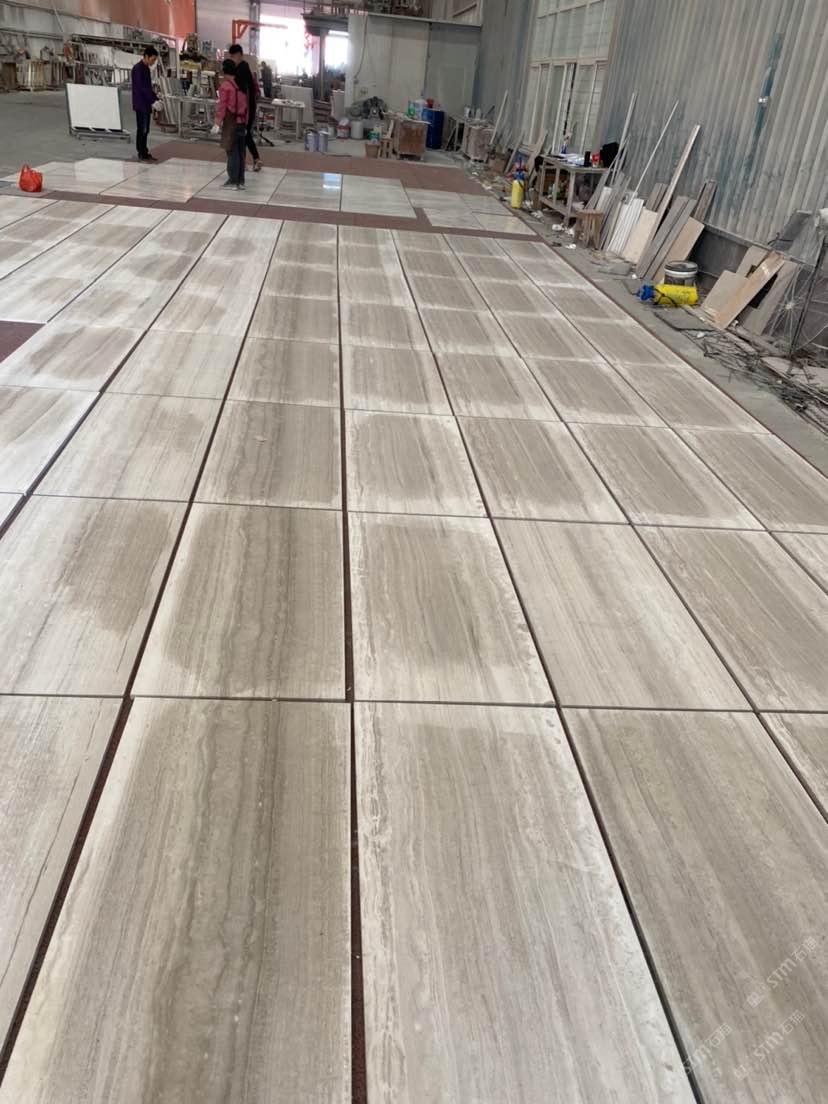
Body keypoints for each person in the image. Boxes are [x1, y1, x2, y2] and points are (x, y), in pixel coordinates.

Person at [212, 59, 248, 189]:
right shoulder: (242, 86)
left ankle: (233, 180)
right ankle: (240, 181)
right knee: (241, 152)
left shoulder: (225, 87)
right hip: (242, 122)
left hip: (231, 123)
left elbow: (222, 107)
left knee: (232, 151)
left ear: (224, 72)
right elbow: (247, 107)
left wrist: (217, 123)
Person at [227, 44, 262, 172]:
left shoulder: (243, 69)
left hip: (246, 109)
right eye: (231, 57)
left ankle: (252, 160)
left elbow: (241, 90)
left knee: (244, 134)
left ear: (240, 55)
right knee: (243, 134)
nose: (233, 59)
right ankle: (249, 160)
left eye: (234, 56)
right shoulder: (241, 68)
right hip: (244, 108)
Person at [132, 45, 159, 163]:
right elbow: (142, 88)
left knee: (146, 129)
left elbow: (148, 87)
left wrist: (156, 98)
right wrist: (153, 100)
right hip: (140, 103)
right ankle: (141, 152)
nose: (153, 62)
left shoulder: (146, 69)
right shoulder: (138, 69)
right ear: (146, 56)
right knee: (142, 129)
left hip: (146, 104)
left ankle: (144, 151)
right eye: (152, 60)